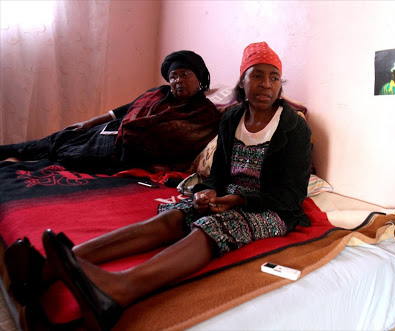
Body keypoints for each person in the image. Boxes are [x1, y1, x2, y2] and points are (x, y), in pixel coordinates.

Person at [4, 41, 312, 330]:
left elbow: (291, 195)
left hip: (271, 208)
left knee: (212, 227)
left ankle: (122, 288)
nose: (266, 85)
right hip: (230, 196)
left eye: (274, 78)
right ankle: (48, 269)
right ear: (242, 82)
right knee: (175, 214)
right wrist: (210, 191)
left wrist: (237, 201)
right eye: (257, 76)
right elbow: (218, 173)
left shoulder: (293, 127)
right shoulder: (232, 118)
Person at [0, 51, 221, 174]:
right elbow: (126, 109)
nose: (178, 80)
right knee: (60, 138)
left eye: (185, 74)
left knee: (70, 156)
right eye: (174, 76)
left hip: (125, 152)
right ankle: (7, 152)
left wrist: (163, 166)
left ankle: (13, 167)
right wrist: (90, 122)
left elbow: (184, 142)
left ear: (199, 78)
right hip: (111, 131)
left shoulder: (203, 113)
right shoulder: (159, 93)